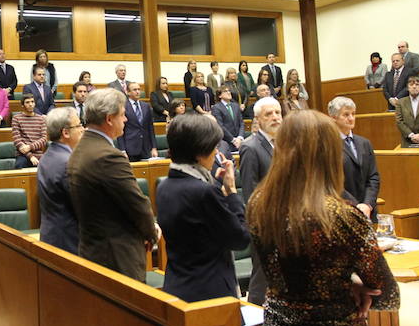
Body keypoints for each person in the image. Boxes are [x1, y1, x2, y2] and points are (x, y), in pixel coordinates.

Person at [247, 110, 399, 326]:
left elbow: (290, 271)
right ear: (329, 154)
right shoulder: (341, 215)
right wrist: (356, 287)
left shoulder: (258, 203)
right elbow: (388, 294)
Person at [68, 89, 159, 282]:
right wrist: (152, 232)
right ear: (109, 119)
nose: (126, 119)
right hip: (117, 256)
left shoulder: (81, 148)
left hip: (93, 249)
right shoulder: (109, 156)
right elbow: (137, 204)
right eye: (123, 114)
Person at [157, 113, 248, 302]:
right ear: (199, 152)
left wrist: (215, 185)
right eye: (213, 146)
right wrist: (231, 192)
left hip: (178, 286)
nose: (216, 152)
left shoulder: (164, 186)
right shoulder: (203, 192)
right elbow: (240, 238)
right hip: (210, 295)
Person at [238, 96, 282, 306]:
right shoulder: (250, 147)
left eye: (278, 113)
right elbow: (251, 192)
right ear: (257, 119)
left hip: (287, 222)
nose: (275, 117)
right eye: (269, 114)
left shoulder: (286, 143)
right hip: (265, 224)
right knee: (261, 278)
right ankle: (254, 315)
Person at [36, 107, 85, 254]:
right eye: (78, 125)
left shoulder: (46, 157)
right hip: (69, 242)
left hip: (51, 235)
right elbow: (83, 206)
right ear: (65, 132)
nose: (82, 129)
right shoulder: (69, 163)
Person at [329, 97, 380, 221]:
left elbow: (373, 177)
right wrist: (356, 206)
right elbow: (332, 182)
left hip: (368, 212)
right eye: (346, 115)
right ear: (333, 118)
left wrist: (367, 204)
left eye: (353, 114)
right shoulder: (328, 145)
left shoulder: (364, 143)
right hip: (343, 211)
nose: (351, 118)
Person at [119, 82, 157, 161]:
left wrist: (154, 147)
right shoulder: (123, 107)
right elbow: (120, 131)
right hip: (130, 148)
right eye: (134, 90)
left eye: (139, 89)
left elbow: (151, 128)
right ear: (128, 92)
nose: (138, 92)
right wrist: (122, 150)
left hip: (146, 148)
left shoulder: (146, 106)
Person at [11, 93, 47, 168]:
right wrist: (30, 156)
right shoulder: (16, 118)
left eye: (32, 102)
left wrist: (30, 147)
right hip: (23, 155)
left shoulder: (41, 119)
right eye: (27, 102)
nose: (30, 104)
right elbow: (17, 141)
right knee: (19, 165)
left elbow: (44, 139)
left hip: (38, 154)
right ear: (22, 105)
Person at [212, 85, 243, 151]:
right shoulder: (216, 108)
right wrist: (233, 140)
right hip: (227, 142)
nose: (229, 92)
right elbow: (220, 126)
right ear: (220, 96)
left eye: (229, 91)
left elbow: (241, 123)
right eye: (225, 91)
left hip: (239, 141)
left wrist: (240, 137)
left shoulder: (236, 105)